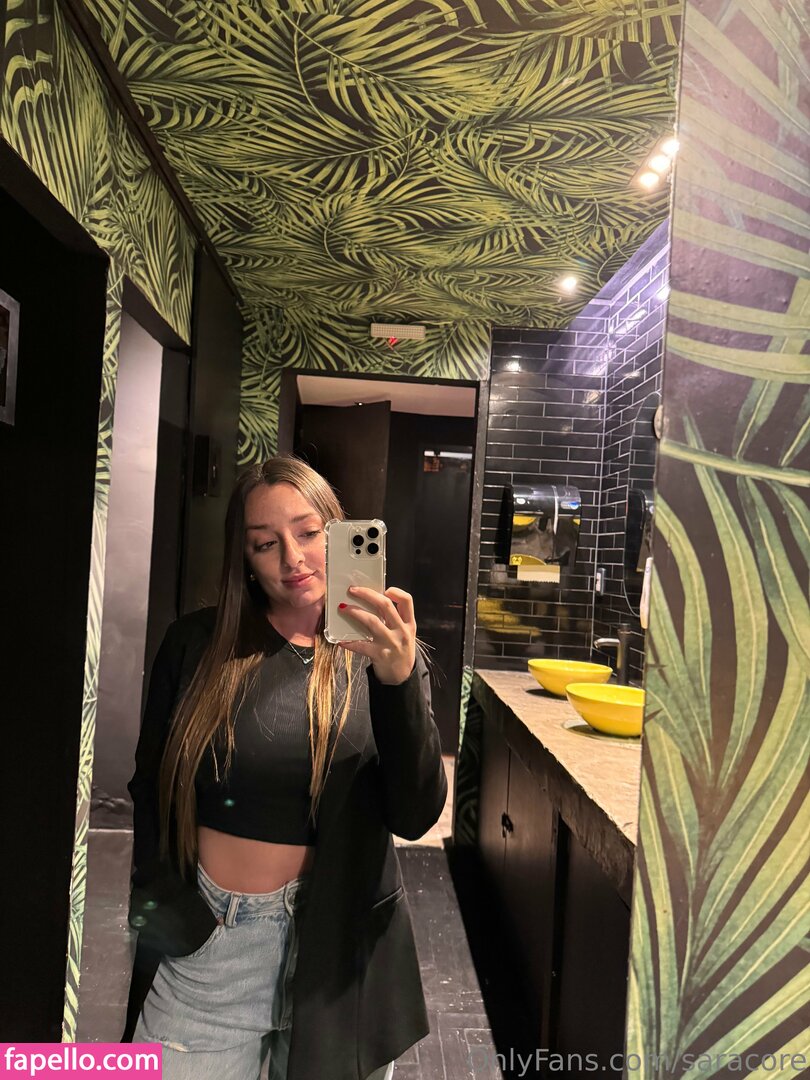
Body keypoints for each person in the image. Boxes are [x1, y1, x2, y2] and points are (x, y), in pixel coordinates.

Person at [122, 456, 448, 1080]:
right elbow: (149, 785)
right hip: (211, 948)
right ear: (245, 557)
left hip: (338, 957)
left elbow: (414, 815)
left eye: (308, 533)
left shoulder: (385, 657)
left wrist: (398, 680)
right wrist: (170, 906)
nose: (292, 559)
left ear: (338, 531)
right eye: (265, 543)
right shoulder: (197, 645)